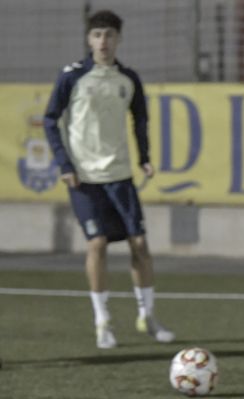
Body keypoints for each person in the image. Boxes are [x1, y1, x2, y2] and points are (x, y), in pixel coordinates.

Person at [44, 10, 174, 349]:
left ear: (119, 39)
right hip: (84, 178)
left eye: (110, 35)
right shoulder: (72, 76)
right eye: (98, 34)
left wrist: (144, 157)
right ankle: (102, 321)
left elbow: (140, 119)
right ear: (89, 39)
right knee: (97, 244)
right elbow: (50, 120)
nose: (104, 41)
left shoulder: (128, 78)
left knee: (140, 246)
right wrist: (64, 163)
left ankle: (148, 315)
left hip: (120, 176)